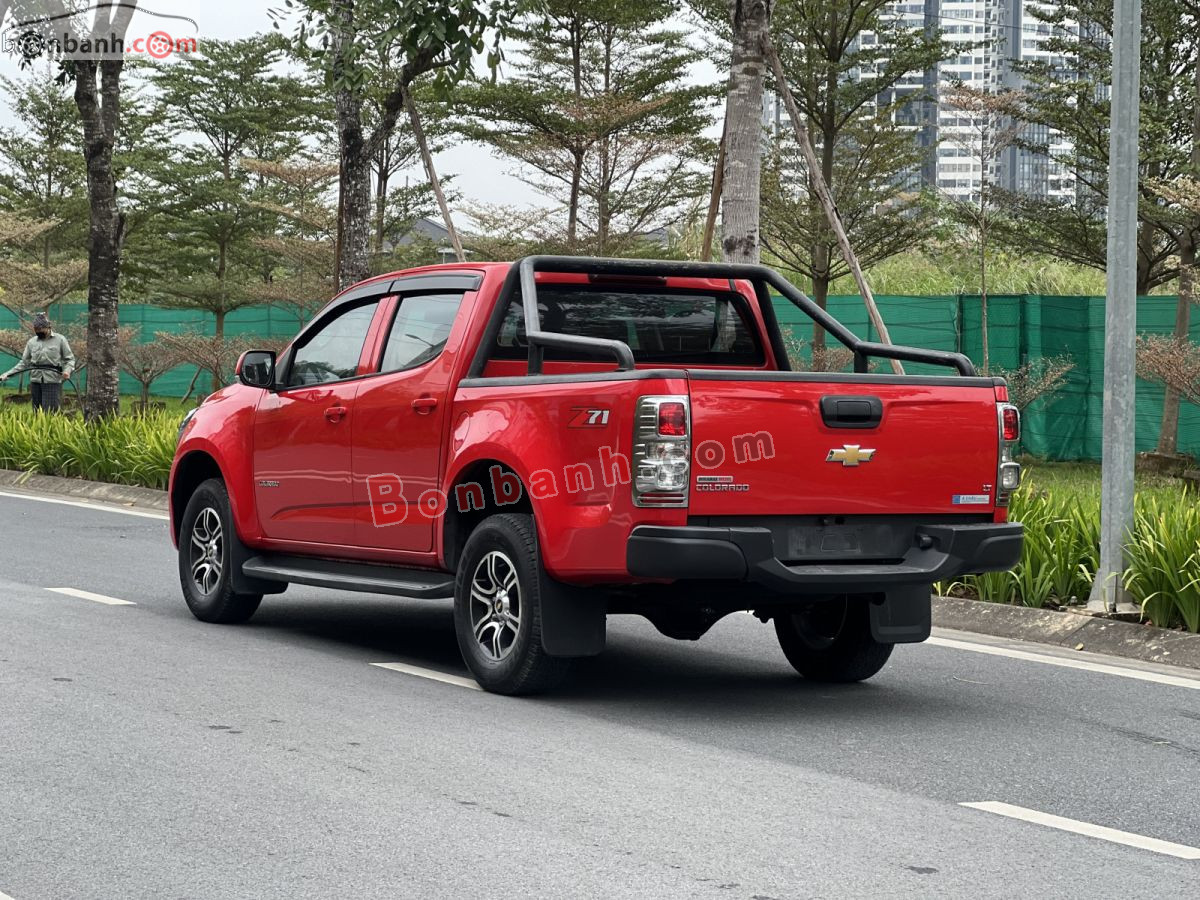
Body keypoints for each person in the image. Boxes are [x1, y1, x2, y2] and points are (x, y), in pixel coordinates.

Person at [0, 313, 76, 412]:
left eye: (41, 329)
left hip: (52, 381)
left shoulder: (60, 339)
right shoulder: (32, 342)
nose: (38, 332)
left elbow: (70, 359)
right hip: (35, 381)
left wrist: (67, 371)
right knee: (37, 411)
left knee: (50, 412)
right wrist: (7, 374)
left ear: (49, 327)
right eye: (36, 329)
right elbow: (24, 363)